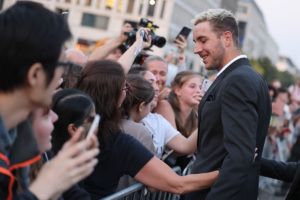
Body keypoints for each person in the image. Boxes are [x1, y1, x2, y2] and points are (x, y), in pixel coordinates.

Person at [77, 60, 219, 199]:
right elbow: (177, 184)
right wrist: (227, 173)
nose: (156, 86)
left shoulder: (66, 115)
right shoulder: (119, 139)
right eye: (125, 88)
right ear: (116, 96)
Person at [0, 2, 98, 199]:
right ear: (35, 74)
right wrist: (47, 185)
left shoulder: (18, 139)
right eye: (62, 64)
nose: (63, 74)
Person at [185, 9, 271, 200]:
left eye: (203, 40)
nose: (196, 49)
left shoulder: (238, 80)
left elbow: (239, 158)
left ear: (226, 38)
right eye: (195, 42)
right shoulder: (244, 77)